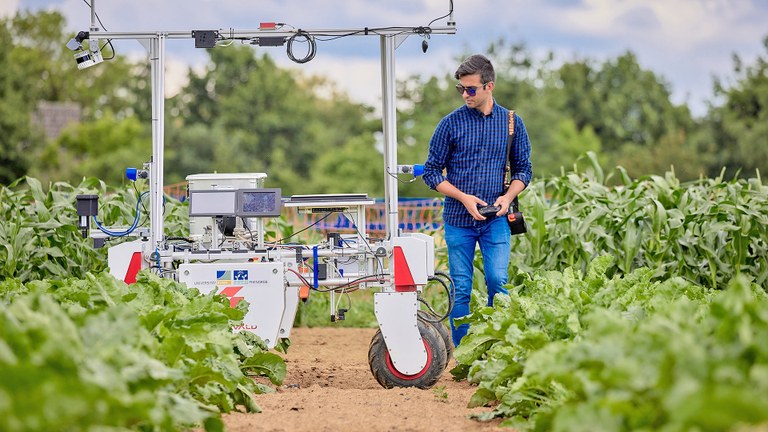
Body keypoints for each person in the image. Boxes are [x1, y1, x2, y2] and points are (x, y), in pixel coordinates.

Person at [422, 54, 532, 347]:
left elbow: (525, 169)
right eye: (460, 89)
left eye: (470, 89)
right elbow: (431, 172)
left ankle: (500, 348)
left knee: (498, 281)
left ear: (489, 86)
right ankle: (464, 356)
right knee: (461, 289)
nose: (465, 94)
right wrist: (463, 197)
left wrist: (508, 198)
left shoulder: (512, 123)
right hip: (459, 221)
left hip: (497, 220)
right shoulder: (450, 124)